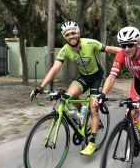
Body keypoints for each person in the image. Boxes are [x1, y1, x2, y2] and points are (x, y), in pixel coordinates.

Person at [30, 21, 121, 155]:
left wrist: (130, 50)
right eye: (67, 35)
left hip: (96, 78)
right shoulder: (65, 50)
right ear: (65, 37)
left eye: (73, 33)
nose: (71, 36)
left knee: (93, 107)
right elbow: (55, 69)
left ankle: (92, 142)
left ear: (78, 33)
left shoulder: (89, 43)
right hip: (84, 77)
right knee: (70, 95)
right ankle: (80, 113)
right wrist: (41, 86)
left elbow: (111, 49)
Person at [94, 26, 140, 138]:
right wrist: (103, 94)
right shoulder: (120, 55)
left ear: (137, 43)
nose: (127, 49)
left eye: (130, 44)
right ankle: (137, 139)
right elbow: (112, 76)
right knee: (133, 112)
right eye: (123, 45)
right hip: (138, 79)